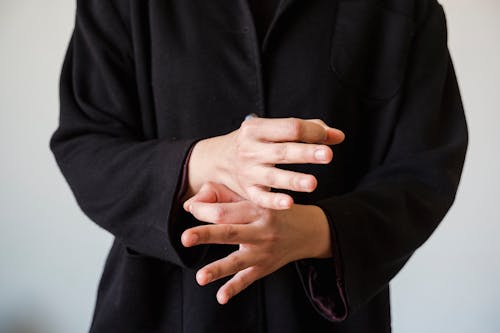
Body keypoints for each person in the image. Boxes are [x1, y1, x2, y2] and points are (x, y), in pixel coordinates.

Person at [49, 0, 468, 332]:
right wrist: (202, 163)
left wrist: (317, 231)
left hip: (326, 318)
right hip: (156, 310)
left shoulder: (408, 8)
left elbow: (427, 169)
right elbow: (85, 144)